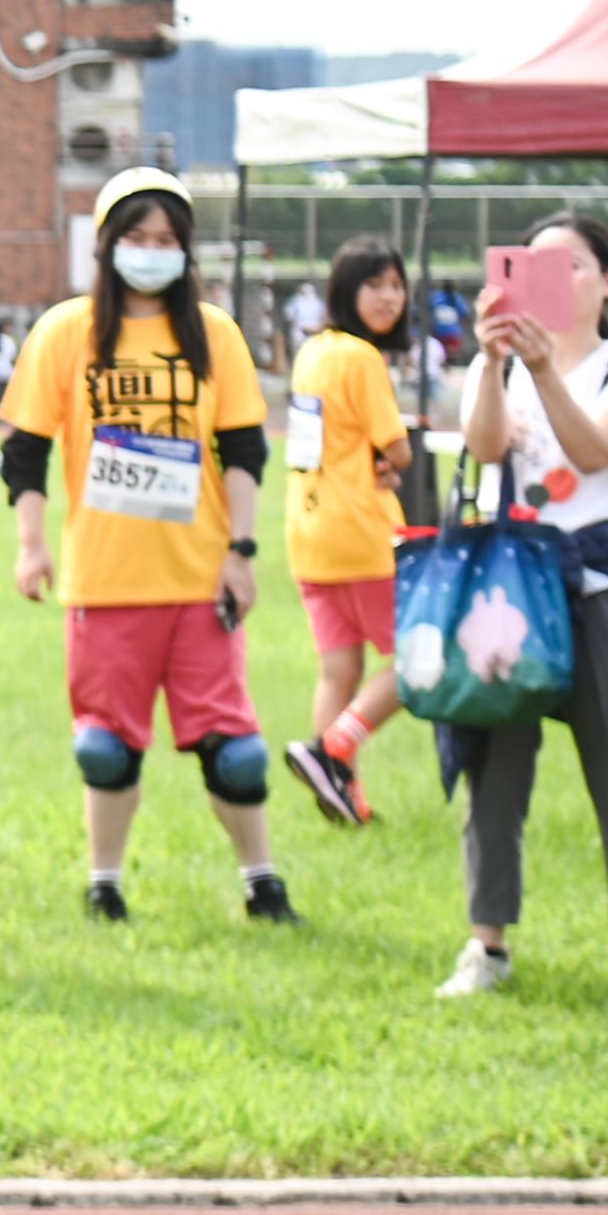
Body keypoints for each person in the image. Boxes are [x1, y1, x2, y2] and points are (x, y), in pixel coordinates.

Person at [2, 167, 292, 924]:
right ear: (106, 245)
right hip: (105, 581)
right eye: (136, 237)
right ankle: (104, 886)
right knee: (104, 748)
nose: (150, 252)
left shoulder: (214, 334)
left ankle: (262, 883)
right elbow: (23, 453)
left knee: (236, 752)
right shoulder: (65, 332)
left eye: (166, 241)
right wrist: (30, 545)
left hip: (199, 581)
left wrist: (242, 552)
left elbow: (243, 452)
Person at [435, 213, 608, 1017]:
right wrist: (492, 358)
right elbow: (486, 448)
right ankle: (486, 942)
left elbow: (597, 451)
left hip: (602, 593)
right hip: (511, 597)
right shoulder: (498, 366)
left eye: (571, 266)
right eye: (534, 267)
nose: (553, 280)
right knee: (493, 772)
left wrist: (540, 371)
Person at [282, 240, 419, 825]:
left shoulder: (313, 349)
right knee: (421, 659)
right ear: (347, 292)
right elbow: (399, 448)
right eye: (376, 285)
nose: (389, 297)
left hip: (309, 531)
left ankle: (341, 798)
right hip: (361, 532)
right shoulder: (362, 357)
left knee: (339, 670)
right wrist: (395, 457)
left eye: (395, 285)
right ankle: (334, 748)